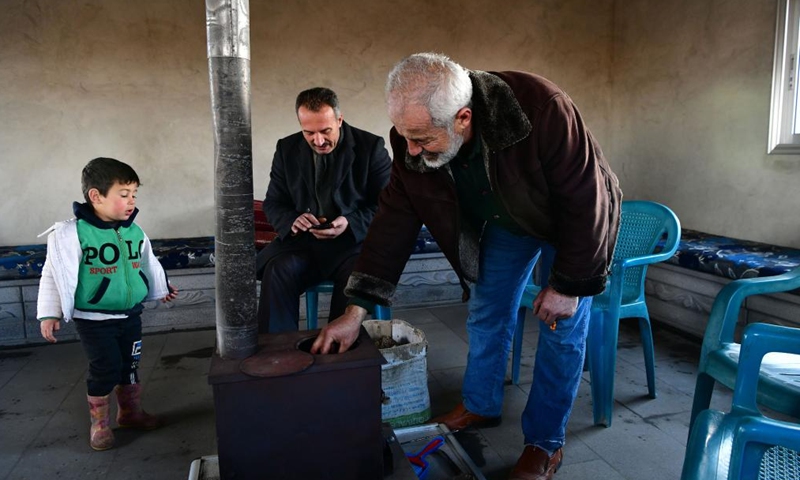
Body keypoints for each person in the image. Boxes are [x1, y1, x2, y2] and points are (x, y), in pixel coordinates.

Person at [312, 53, 622, 480]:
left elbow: (589, 199)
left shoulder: (540, 109)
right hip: (511, 221)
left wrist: (568, 286)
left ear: (462, 118)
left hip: (572, 221)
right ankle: (480, 404)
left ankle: (545, 444)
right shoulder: (412, 140)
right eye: (404, 137)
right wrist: (355, 310)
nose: (412, 150)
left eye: (421, 139)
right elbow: (393, 222)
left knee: (561, 326)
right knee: (486, 308)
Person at [37, 157, 178, 451]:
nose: (131, 202)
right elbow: (54, 272)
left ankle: (130, 413)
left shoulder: (133, 231)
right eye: (123, 195)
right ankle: (99, 424)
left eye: (134, 195)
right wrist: (49, 313)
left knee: (130, 365)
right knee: (106, 367)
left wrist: (159, 287)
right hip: (94, 318)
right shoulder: (72, 234)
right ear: (96, 196)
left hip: (130, 314)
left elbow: (146, 263)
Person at [256, 87, 392, 333]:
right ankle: (277, 353)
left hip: (352, 246)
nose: (318, 141)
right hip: (303, 245)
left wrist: (350, 222)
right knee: (277, 271)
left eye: (325, 131)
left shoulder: (370, 147)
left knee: (356, 277)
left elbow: (388, 206)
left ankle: (339, 356)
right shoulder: (287, 149)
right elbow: (273, 202)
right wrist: (293, 220)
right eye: (309, 133)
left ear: (339, 120)